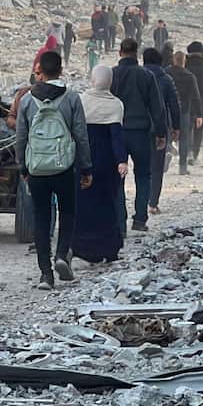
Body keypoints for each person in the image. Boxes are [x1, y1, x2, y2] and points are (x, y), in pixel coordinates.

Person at [16, 51, 93, 289]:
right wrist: (86, 167)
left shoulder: (27, 100)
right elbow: (80, 134)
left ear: (41, 71)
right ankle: (61, 255)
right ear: (60, 70)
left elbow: (21, 136)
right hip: (65, 166)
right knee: (67, 212)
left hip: (37, 168)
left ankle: (45, 274)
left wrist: (23, 167)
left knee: (41, 217)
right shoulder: (71, 98)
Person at [111, 39, 166, 233]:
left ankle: (119, 221)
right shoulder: (146, 75)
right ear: (137, 54)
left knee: (117, 177)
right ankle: (140, 219)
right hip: (141, 133)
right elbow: (157, 107)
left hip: (116, 132)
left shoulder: (112, 75)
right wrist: (161, 133)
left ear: (120, 52)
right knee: (143, 174)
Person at [75, 65, 127, 263]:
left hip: (84, 159)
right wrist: (121, 161)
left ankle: (83, 247)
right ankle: (109, 248)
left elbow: (76, 133)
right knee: (107, 204)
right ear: (110, 83)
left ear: (92, 80)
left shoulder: (80, 101)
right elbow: (116, 137)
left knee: (84, 204)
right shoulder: (116, 105)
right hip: (107, 162)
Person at [142, 48, 179, 215]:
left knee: (141, 167)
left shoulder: (137, 77)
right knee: (157, 166)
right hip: (159, 128)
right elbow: (174, 104)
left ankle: (141, 201)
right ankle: (152, 203)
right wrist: (176, 127)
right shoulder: (166, 79)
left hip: (138, 128)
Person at [168, 52, 202, 176]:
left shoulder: (167, 73)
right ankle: (182, 166)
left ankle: (167, 152)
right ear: (184, 61)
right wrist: (199, 114)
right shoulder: (189, 76)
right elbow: (196, 96)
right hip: (184, 110)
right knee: (184, 138)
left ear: (173, 60)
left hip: (168, 109)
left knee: (166, 133)